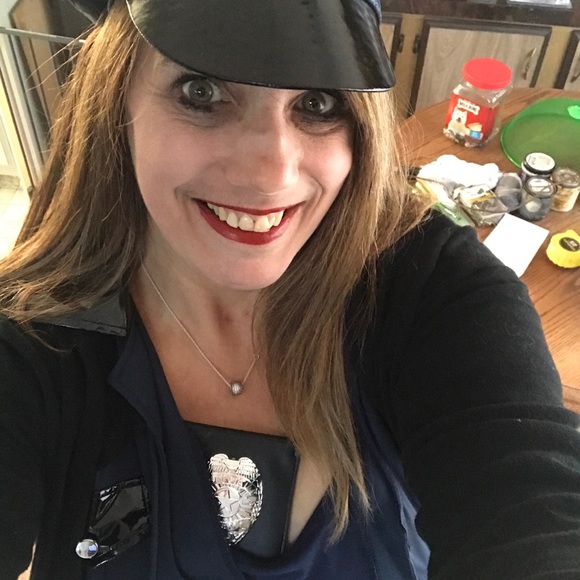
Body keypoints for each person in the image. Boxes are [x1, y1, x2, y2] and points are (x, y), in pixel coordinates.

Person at [1, 0, 579, 578]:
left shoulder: (432, 291)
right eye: (202, 92)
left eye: (317, 103)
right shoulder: (32, 339)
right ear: (115, 99)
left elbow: (532, 508)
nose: (272, 173)